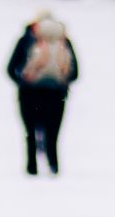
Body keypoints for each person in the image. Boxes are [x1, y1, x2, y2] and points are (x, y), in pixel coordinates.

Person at [7, 12, 80, 176]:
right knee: (52, 134)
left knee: (30, 133)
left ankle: (32, 167)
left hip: (29, 93)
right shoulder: (63, 39)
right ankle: (53, 167)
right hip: (57, 94)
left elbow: (10, 68)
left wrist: (24, 81)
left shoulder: (28, 38)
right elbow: (75, 73)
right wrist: (61, 82)